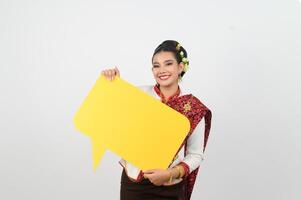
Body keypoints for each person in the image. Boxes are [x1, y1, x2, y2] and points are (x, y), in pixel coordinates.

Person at [101, 40, 212, 200]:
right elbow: (111, 115)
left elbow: (195, 154)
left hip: (170, 186)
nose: (162, 70)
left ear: (181, 67)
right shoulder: (139, 95)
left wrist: (170, 174)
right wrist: (112, 84)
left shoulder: (193, 108)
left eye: (168, 64)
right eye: (156, 65)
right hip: (133, 184)